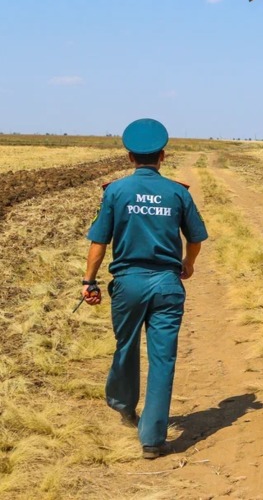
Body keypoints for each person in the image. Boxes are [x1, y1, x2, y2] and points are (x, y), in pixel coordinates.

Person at [81, 118, 208, 460]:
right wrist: (188, 264)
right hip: (167, 284)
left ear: (129, 157)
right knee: (163, 358)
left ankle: (124, 405)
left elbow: (98, 242)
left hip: (128, 284)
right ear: (162, 156)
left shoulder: (116, 192)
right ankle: (152, 439)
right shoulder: (178, 193)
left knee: (126, 346)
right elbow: (196, 238)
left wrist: (88, 281)